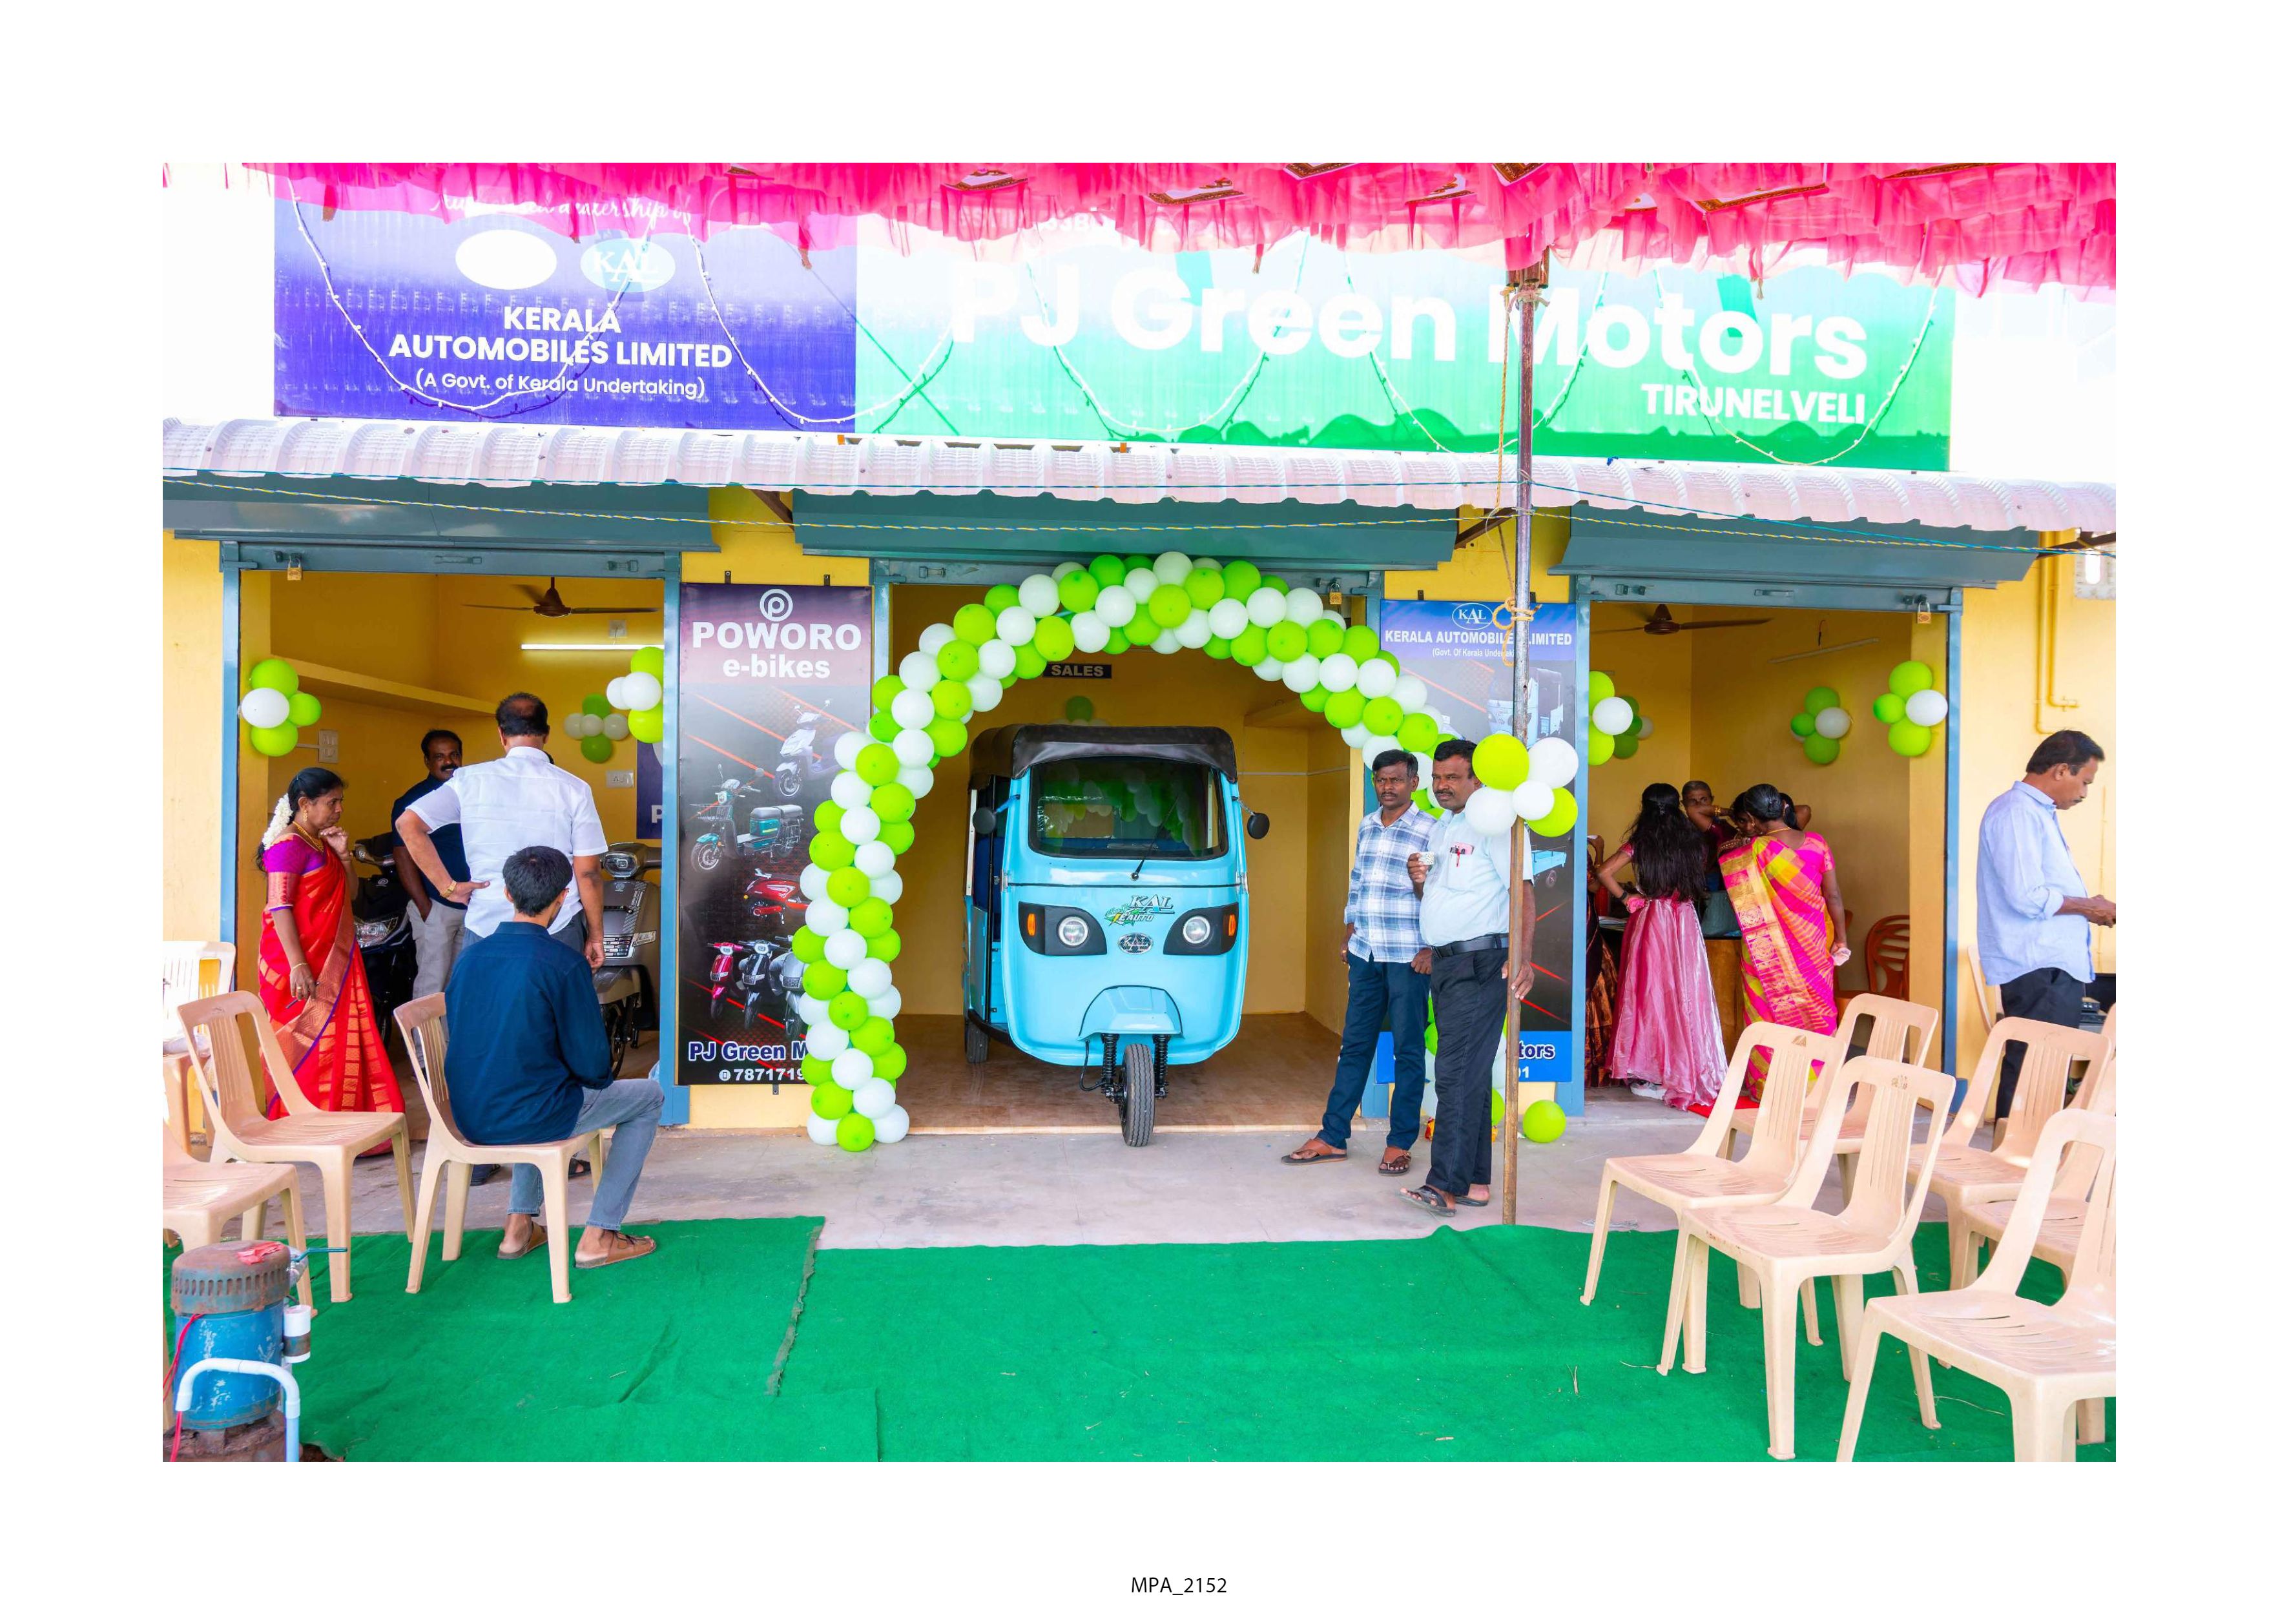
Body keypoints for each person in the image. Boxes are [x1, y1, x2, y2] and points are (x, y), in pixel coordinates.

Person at [444, 846, 661, 1269]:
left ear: (508, 894)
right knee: (649, 1097)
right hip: (536, 1116)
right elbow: (594, 1068)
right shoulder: (563, 963)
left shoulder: (469, 958)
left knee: (536, 1082)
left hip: (469, 1116)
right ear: (563, 897)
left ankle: (519, 1227)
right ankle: (601, 1235)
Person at [1398, 739, 1534, 1218]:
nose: (1442, 786)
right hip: (1448, 964)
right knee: (1469, 1074)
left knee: (1454, 1073)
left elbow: (1522, 889)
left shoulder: (1496, 824)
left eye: (1452, 777)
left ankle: (1444, 1186)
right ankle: (1475, 1182)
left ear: (1477, 779)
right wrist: (1419, 880)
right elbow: (1442, 896)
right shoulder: (1445, 825)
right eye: (1437, 777)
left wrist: (1523, 956)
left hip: (1481, 964)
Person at [1282, 750, 1434, 1175]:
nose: (1387, 787)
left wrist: (1431, 947)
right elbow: (1358, 881)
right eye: (1381, 780)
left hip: (1408, 956)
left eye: (1396, 780)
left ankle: (1399, 1142)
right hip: (1366, 953)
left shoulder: (1431, 830)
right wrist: (1350, 929)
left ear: (1414, 783)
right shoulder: (1367, 825)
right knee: (1354, 1046)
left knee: (1407, 1051)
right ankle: (1333, 1136)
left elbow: (1437, 892)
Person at [395, 694, 606, 966]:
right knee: (555, 994)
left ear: (502, 734)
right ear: (547, 734)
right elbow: (588, 873)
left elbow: (407, 824)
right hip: (558, 925)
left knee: (487, 994)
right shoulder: (575, 788)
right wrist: (596, 936)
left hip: (486, 924)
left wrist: (448, 888)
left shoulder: (469, 781)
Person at [1976, 730, 2114, 1118]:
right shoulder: (2017, 812)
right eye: (2085, 782)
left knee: (2045, 1069)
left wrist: (2089, 906)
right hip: (2039, 965)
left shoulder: (2034, 812)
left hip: (2049, 964)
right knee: (2035, 1069)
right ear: (2060, 770)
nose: (2084, 793)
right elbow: (2027, 896)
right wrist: (2089, 908)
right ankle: (2017, 1150)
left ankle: (2028, 1149)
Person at [254, 767, 405, 1116]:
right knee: (306, 1042)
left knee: (338, 1042)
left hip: (333, 957)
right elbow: (279, 907)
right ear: (305, 804)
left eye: (341, 801)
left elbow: (351, 894)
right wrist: (298, 964)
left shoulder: (319, 843)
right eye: (332, 802)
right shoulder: (287, 847)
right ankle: (302, 1122)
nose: (339, 809)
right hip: (300, 962)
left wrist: (344, 856)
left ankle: (342, 1120)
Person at [1593, 783, 1724, 1111]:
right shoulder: (1693, 842)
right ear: (1677, 806)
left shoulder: (1641, 843)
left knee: (1651, 993)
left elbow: (1604, 872)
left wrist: (1627, 897)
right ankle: (1684, 1066)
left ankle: (1652, 1071)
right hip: (1684, 920)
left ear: (1645, 807)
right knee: (1685, 993)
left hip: (1652, 919)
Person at [1719, 783, 1849, 1090]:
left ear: (1751, 818)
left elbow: (1736, 884)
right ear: (1784, 808)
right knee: (1817, 1012)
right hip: (1814, 946)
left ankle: (1770, 1086)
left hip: (1765, 951)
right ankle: (1817, 1086)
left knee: (1766, 1012)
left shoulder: (1750, 852)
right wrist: (1841, 939)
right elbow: (1833, 895)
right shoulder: (1818, 844)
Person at [392, 729, 471, 1001]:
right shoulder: (411, 802)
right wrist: (425, 906)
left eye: (454, 755)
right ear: (427, 761)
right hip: (436, 905)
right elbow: (403, 857)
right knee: (432, 983)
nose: (448, 762)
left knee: (460, 982)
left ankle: (451, 1032)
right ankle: (422, 1032)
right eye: (439, 757)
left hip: (471, 904)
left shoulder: (470, 794)